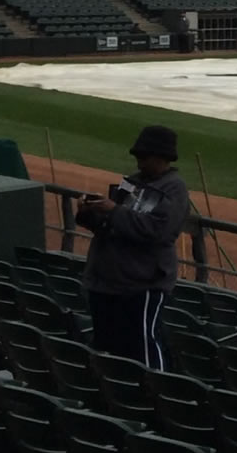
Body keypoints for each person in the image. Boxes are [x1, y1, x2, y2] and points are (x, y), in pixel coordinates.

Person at [75, 125, 192, 368]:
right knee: (109, 346)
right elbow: (109, 224)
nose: (138, 162)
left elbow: (160, 232)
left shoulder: (175, 188)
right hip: (107, 280)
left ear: (162, 158)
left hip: (143, 283)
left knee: (144, 346)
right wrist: (89, 212)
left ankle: (158, 396)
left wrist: (113, 210)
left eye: (143, 157)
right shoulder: (131, 182)